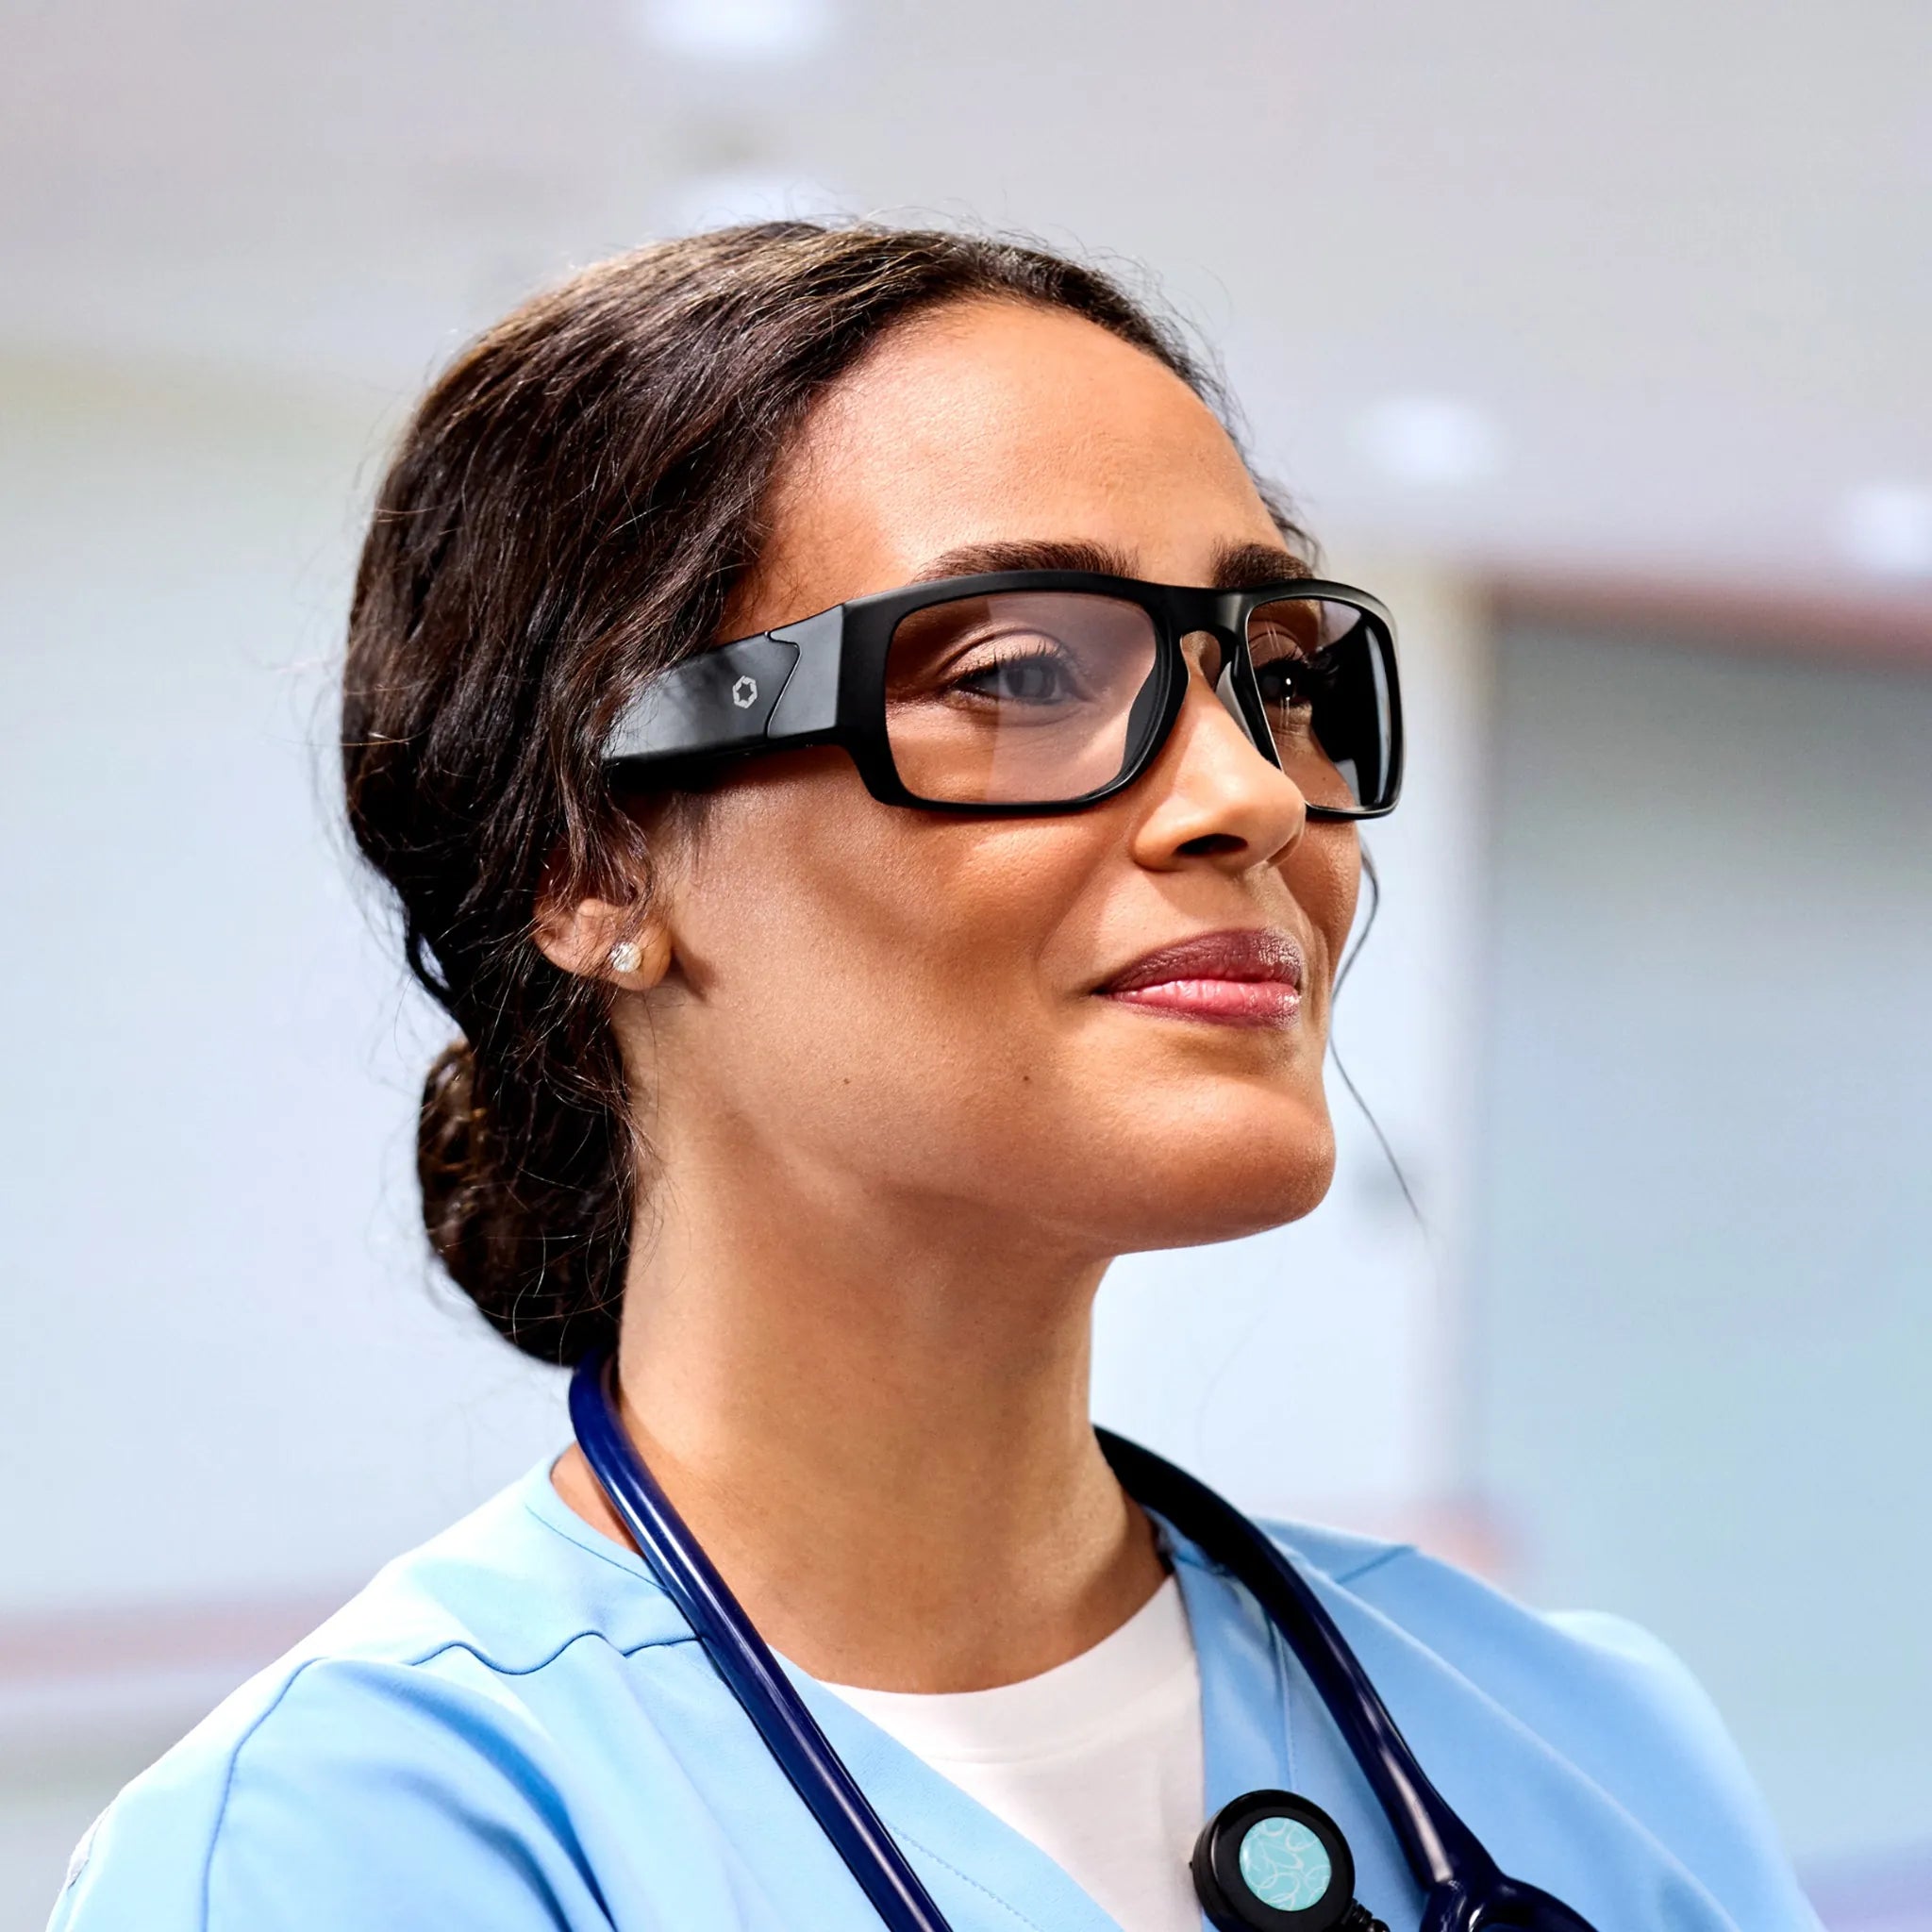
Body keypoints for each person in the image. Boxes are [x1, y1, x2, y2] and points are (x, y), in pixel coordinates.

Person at [50, 223, 1818, 1932]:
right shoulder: (346, 1854)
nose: (1258, 795)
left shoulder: (1569, 1740)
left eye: (1275, 678)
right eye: (1024, 671)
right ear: (594, 865)